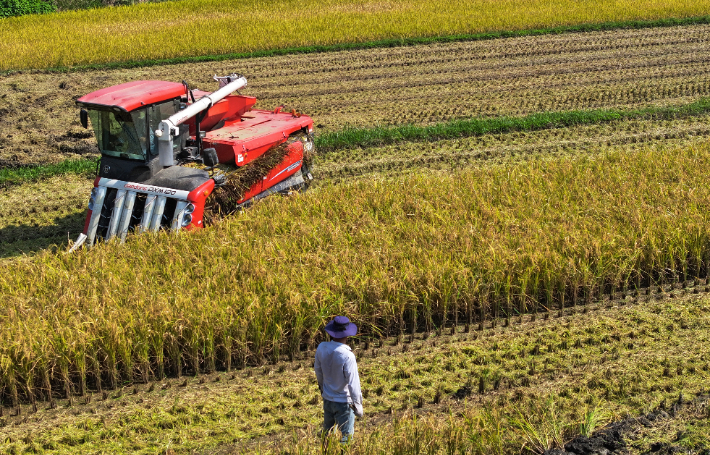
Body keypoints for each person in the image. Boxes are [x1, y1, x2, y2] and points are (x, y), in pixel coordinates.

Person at [314, 316, 364, 443]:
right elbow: (353, 383)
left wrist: (322, 389)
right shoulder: (347, 355)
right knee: (345, 439)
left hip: (328, 400)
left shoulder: (321, 348)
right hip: (344, 403)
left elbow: (318, 372)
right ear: (347, 333)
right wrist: (358, 406)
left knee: (327, 436)